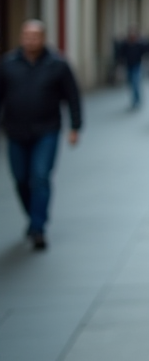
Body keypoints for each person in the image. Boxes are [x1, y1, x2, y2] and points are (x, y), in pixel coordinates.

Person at [0, 20, 82, 250]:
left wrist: (76, 127)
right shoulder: (8, 64)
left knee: (40, 177)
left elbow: (72, 96)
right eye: (26, 35)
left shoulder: (57, 64)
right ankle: (33, 215)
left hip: (47, 130)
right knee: (21, 180)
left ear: (43, 38)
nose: (30, 40)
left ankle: (38, 227)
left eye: (35, 36)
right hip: (15, 131)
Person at [115, 27, 146, 109]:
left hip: (137, 65)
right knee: (131, 83)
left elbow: (144, 51)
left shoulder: (139, 44)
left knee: (136, 82)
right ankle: (134, 99)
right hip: (128, 66)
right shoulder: (125, 44)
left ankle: (137, 100)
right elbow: (121, 53)